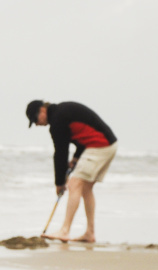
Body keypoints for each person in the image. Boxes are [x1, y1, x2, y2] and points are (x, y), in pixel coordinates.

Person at [26, 99, 118, 243]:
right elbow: (82, 137)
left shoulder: (57, 120)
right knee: (86, 188)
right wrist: (75, 160)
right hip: (108, 144)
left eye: (35, 119)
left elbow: (60, 153)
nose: (37, 124)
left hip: (100, 144)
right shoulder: (62, 112)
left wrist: (59, 183)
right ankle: (90, 233)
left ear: (42, 110)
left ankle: (64, 230)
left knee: (74, 183)